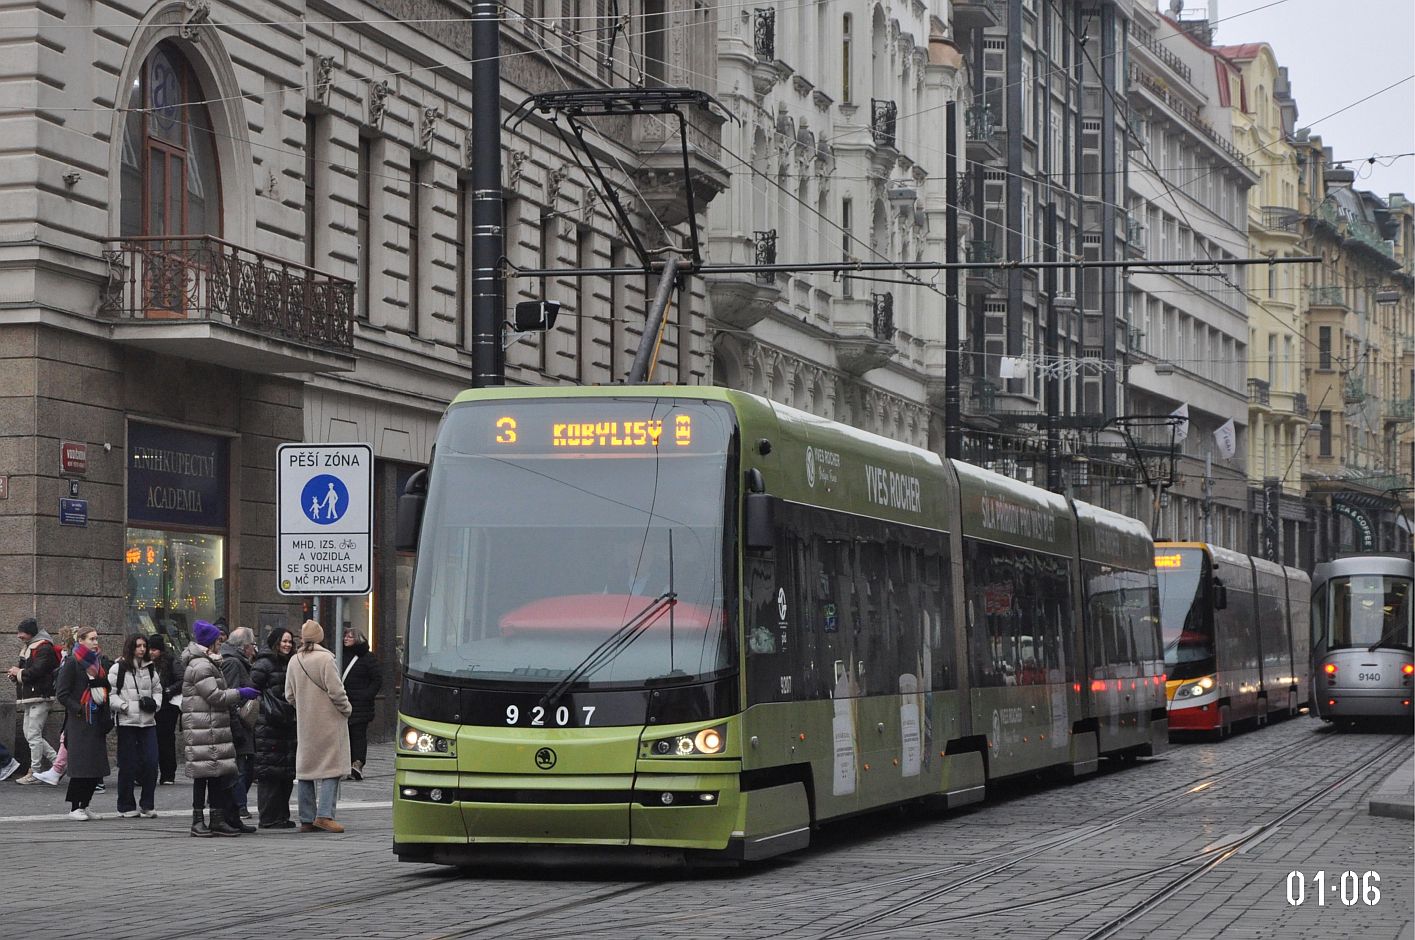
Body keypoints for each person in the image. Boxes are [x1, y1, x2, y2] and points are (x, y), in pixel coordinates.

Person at [181, 619, 258, 838]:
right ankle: (198, 820)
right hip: (203, 727)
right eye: (218, 640)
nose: (221, 643)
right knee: (202, 776)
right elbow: (214, 696)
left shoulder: (210, 662)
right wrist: (240, 693)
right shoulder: (201, 665)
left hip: (212, 726)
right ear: (211, 642)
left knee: (215, 774)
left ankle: (216, 819)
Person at [285, 619, 352, 833]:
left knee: (306, 769)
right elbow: (336, 691)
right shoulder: (326, 659)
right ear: (320, 637)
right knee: (332, 767)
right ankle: (324, 815)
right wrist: (346, 709)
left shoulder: (294, 660)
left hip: (305, 722)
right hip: (329, 721)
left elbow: (289, 695)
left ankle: (306, 818)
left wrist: (304, 707)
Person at [54, 627, 112, 820]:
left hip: (97, 720)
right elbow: (62, 693)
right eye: (91, 639)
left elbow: (104, 688)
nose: (95, 642)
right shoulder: (72, 662)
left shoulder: (98, 662)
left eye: (96, 639)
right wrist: (79, 709)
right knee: (81, 767)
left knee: (95, 767)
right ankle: (75, 807)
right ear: (80, 640)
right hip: (80, 722)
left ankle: (85, 805)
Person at [108, 634, 162, 818]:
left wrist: (155, 705)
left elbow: (158, 690)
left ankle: (147, 804)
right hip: (127, 722)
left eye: (144, 646)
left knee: (151, 763)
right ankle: (125, 805)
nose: (142, 649)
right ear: (131, 647)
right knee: (127, 764)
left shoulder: (150, 668)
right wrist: (124, 707)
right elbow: (111, 694)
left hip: (148, 722)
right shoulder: (118, 668)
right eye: (138, 646)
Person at [251, 627, 297, 829]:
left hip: (287, 723)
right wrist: (266, 707)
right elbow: (252, 689)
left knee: (285, 772)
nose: (287, 645)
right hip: (268, 724)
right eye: (284, 641)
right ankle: (269, 817)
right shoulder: (264, 663)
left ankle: (281, 816)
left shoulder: (292, 662)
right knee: (269, 773)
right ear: (275, 642)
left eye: (290, 641)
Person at [8, 618, 60, 784]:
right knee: (30, 734)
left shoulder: (43, 648)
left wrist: (18, 672)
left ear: (30, 632)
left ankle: (35, 771)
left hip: (40, 696)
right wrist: (16, 674)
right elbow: (31, 670)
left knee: (33, 735)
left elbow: (37, 670)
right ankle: (58, 762)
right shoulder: (31, 646)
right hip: (33, 696)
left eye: (21, 632)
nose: (19, 636)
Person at [219, 626, 258, 818]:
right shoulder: (233, 663)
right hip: (238, 723)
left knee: (246, 766)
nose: (254, 649)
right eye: (252, 644)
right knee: (241, 768)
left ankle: (236, 805)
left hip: (242, 723)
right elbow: (231, 695)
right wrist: (236, 726)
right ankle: (238, 807)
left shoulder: (237, 660)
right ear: (244, 646)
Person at [29, 626, 74, 786]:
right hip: (72, 703)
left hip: (70, 702)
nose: (62, 643)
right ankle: (57, 767)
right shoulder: (65, 655)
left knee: (67, 737)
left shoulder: (70, 658)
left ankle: (52, 768)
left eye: (64, 640)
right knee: (65, 737)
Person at [341, 628, 381, 781]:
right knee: (345, 735)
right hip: (343, 701)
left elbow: (377, 679)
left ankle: (357, 764)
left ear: (357, 639)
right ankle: (346, 765)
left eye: (350, 636)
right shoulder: (340, 655)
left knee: (358, 734)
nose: (346, 638)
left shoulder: (367, 658)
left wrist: (366, 695)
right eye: (345, 636)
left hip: (361, 705)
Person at [147, 633, 182, 785]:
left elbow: (181, 680)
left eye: (154, 650)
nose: (151, 652)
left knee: (166, 740)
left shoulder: (171, 661)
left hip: (167, 707)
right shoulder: (146, 663)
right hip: (152, 706)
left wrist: (168, 691)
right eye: (150, 649)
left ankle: (168, 774)